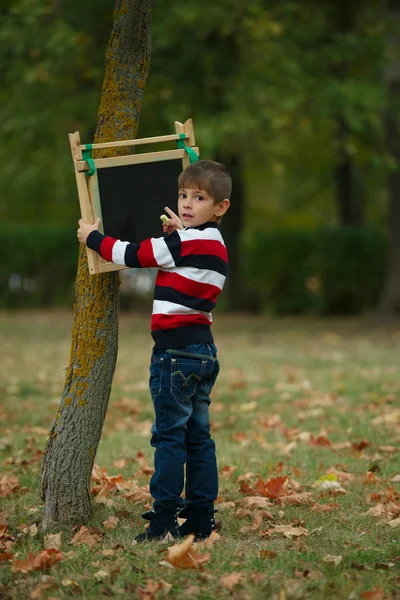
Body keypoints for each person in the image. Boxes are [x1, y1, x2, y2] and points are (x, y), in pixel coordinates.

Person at [77, 159, 231, 541]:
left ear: (221, 207)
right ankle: (199, 517)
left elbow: (132, 255)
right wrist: (181, 233)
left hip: (174, 355)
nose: (187, 204)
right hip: (203, 352)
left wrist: (92, 237)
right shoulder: (213, 243)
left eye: (199, 197)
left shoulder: (182, 242)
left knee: (168, 438)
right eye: (183, 195)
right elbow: (187, 260)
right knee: (198, 438)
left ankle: (163, 521)